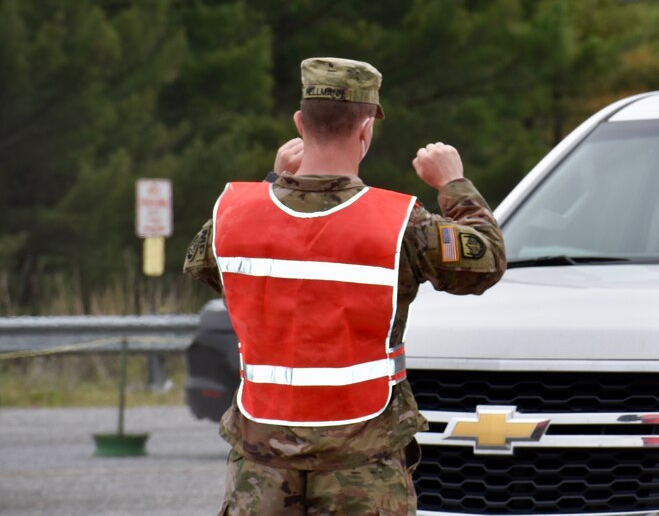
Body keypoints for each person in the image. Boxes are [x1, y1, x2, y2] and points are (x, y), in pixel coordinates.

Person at [183, 57, 506, 515]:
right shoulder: (399, 224)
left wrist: (273, 181)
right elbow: (487, 261)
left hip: (260, 466)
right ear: (366, 129)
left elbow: (204, 265)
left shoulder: (235, 212)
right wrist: (453, 184)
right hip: (361, 463)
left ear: (299, 123)